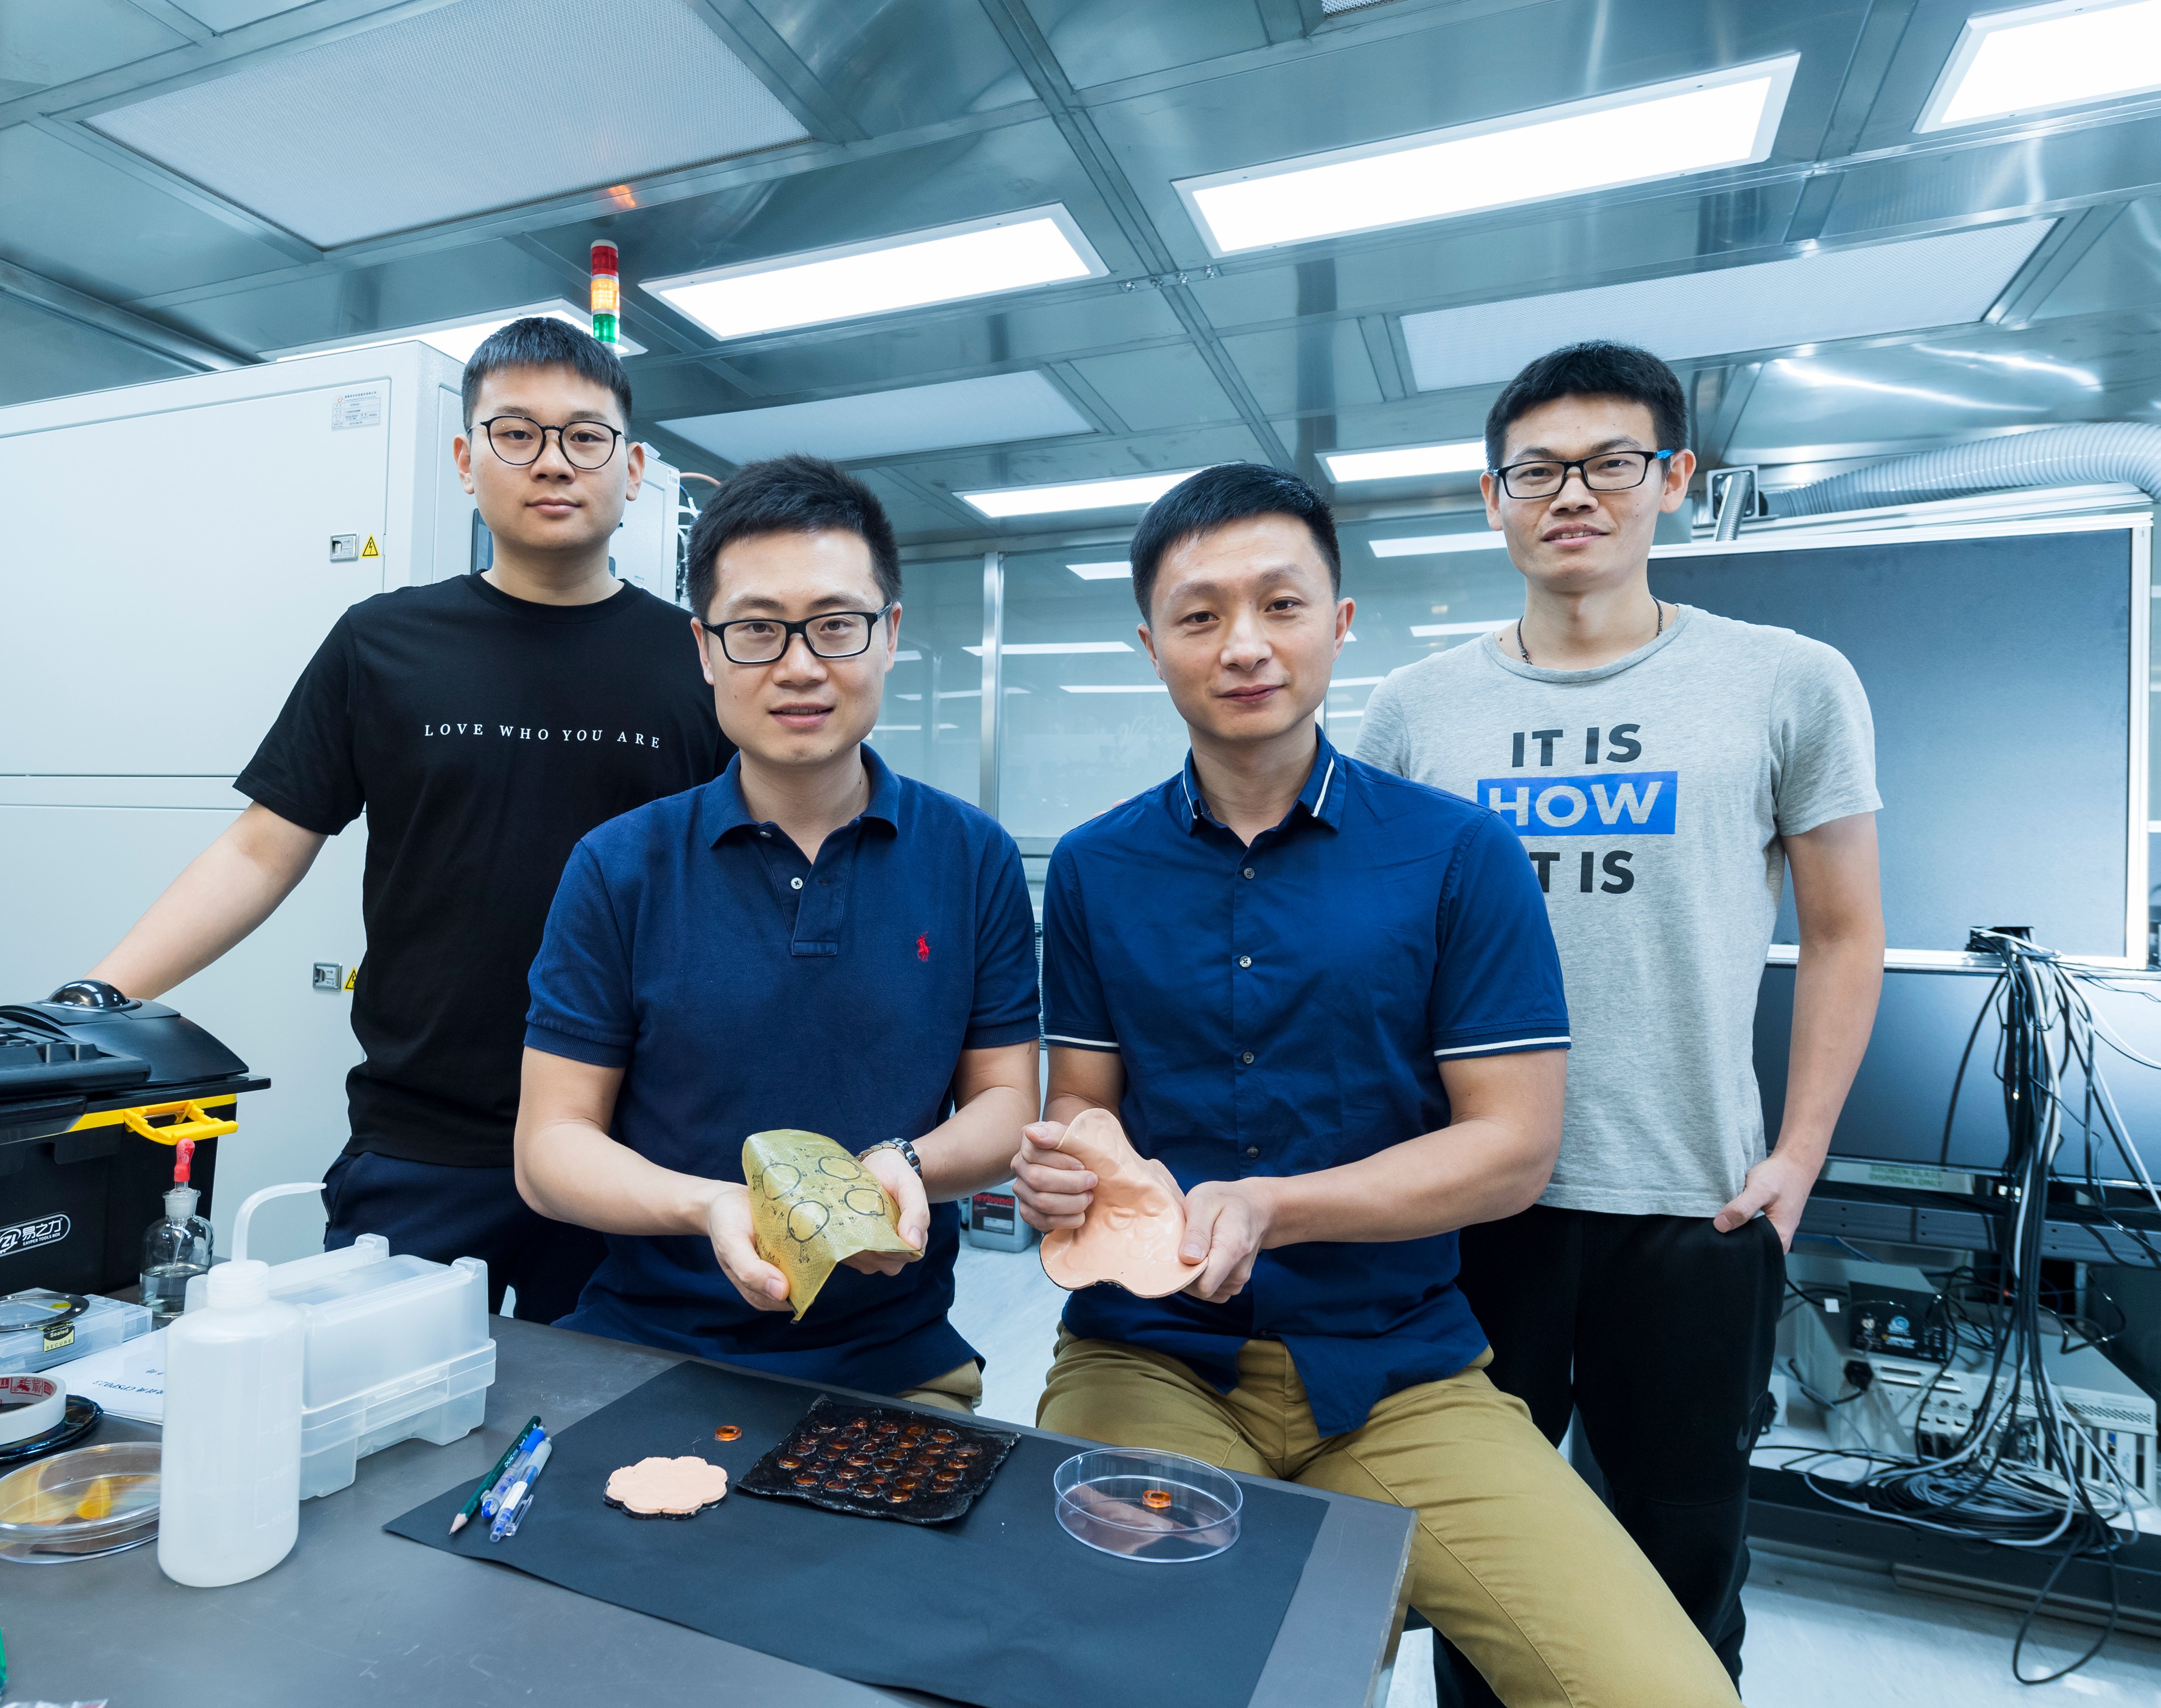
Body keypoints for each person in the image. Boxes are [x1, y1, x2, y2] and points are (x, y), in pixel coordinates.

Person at [1012, 462, 1742, 1707]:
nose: (1244, 645)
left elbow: (1513, 1148)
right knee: (1130, 1674)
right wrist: (1067, 1160)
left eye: (1281, 606)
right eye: (1199, 617)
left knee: (1661, 1691)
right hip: (1152, 1363)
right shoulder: (1092, 868)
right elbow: (1085, 1099)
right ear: (1152, 646)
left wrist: (1271, 1206)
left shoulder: (1458, 854)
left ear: (1340, 624)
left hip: (1399, 1376)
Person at [1354, 342, 1883, 1705]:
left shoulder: (1788, 680)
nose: (1571, 494)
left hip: (1693, 1208)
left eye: (1610, 463)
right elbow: (1366, 951)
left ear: (1675, 481)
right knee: (1483, 1579)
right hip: (1475, 1204)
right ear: (1493, 498)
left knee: (1683, 1569)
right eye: (1536, 470)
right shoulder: (1415, 710)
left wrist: (1798, 1162)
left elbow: (1843, 931)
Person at [88, 317, 732, 1322]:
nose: (552, 462)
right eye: (516, 434)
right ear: (467, 461)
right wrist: (94, 999)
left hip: (634, 1150)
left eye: (585, 436)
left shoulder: (701, 662)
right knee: (389, 1448)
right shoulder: (383, 643)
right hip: (421, 1141)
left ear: (634, 466)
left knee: (617, 1452)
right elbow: (263, 846)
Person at [513, 454, 1039, 1407]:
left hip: (895, 1354)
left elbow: (1007, 1109)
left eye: (837, 625)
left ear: (890, 636)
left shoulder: (973, 857)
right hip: (647, 1342)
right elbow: (549, 1145)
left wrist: (906, 1164)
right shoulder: (620, 864)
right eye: (757, 629)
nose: (800, 665)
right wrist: (709, 1203)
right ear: (707, 649)